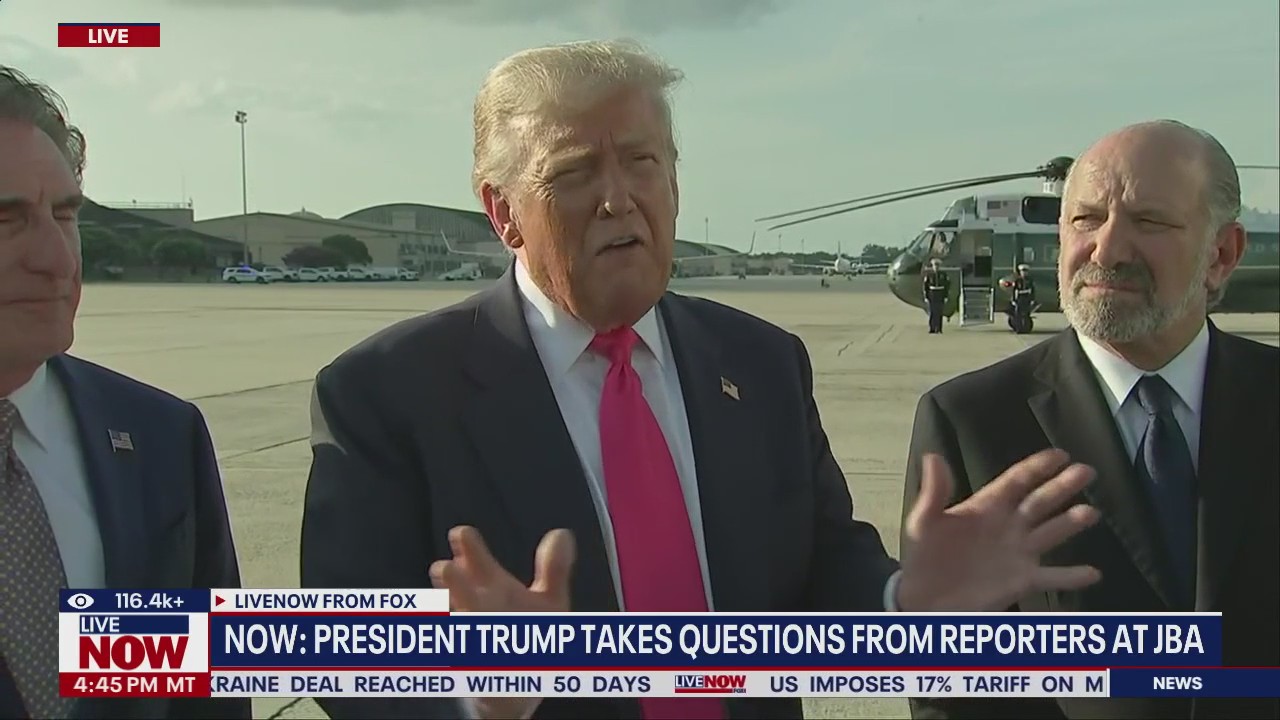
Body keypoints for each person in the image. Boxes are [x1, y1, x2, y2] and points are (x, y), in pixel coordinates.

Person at [300, 40, 1102, 720]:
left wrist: (905, 606)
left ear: (674, 181)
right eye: (576, 172)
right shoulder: (387, 395)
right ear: (503, 212)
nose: (620, 197)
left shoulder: (760, 362)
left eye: (643, 162)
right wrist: (477, 695)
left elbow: (819, 564)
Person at [901, 120, 1278, 720]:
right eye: (1086, 219)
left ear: (1222, 253)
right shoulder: (972, 424)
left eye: (1148, 222)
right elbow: (954, 696)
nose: (1107, 249)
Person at [0, 65, 249, 720]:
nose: (57, 259)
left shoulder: (159, 436)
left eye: (65, 214)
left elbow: (203, 698)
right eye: (6, 220)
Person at [922, 257, 950, 333]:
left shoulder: (943, 275)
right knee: (932, 312)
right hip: (932, 294)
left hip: (940, 294)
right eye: (934, 265)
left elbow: (947, 286)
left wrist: (946, 296)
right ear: (932, 266)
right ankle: (932, 328)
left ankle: (939, 328)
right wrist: (926, 296)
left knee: (939, 312)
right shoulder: (929, 275)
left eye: (937, 266)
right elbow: (925, 286)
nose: (936, 267)